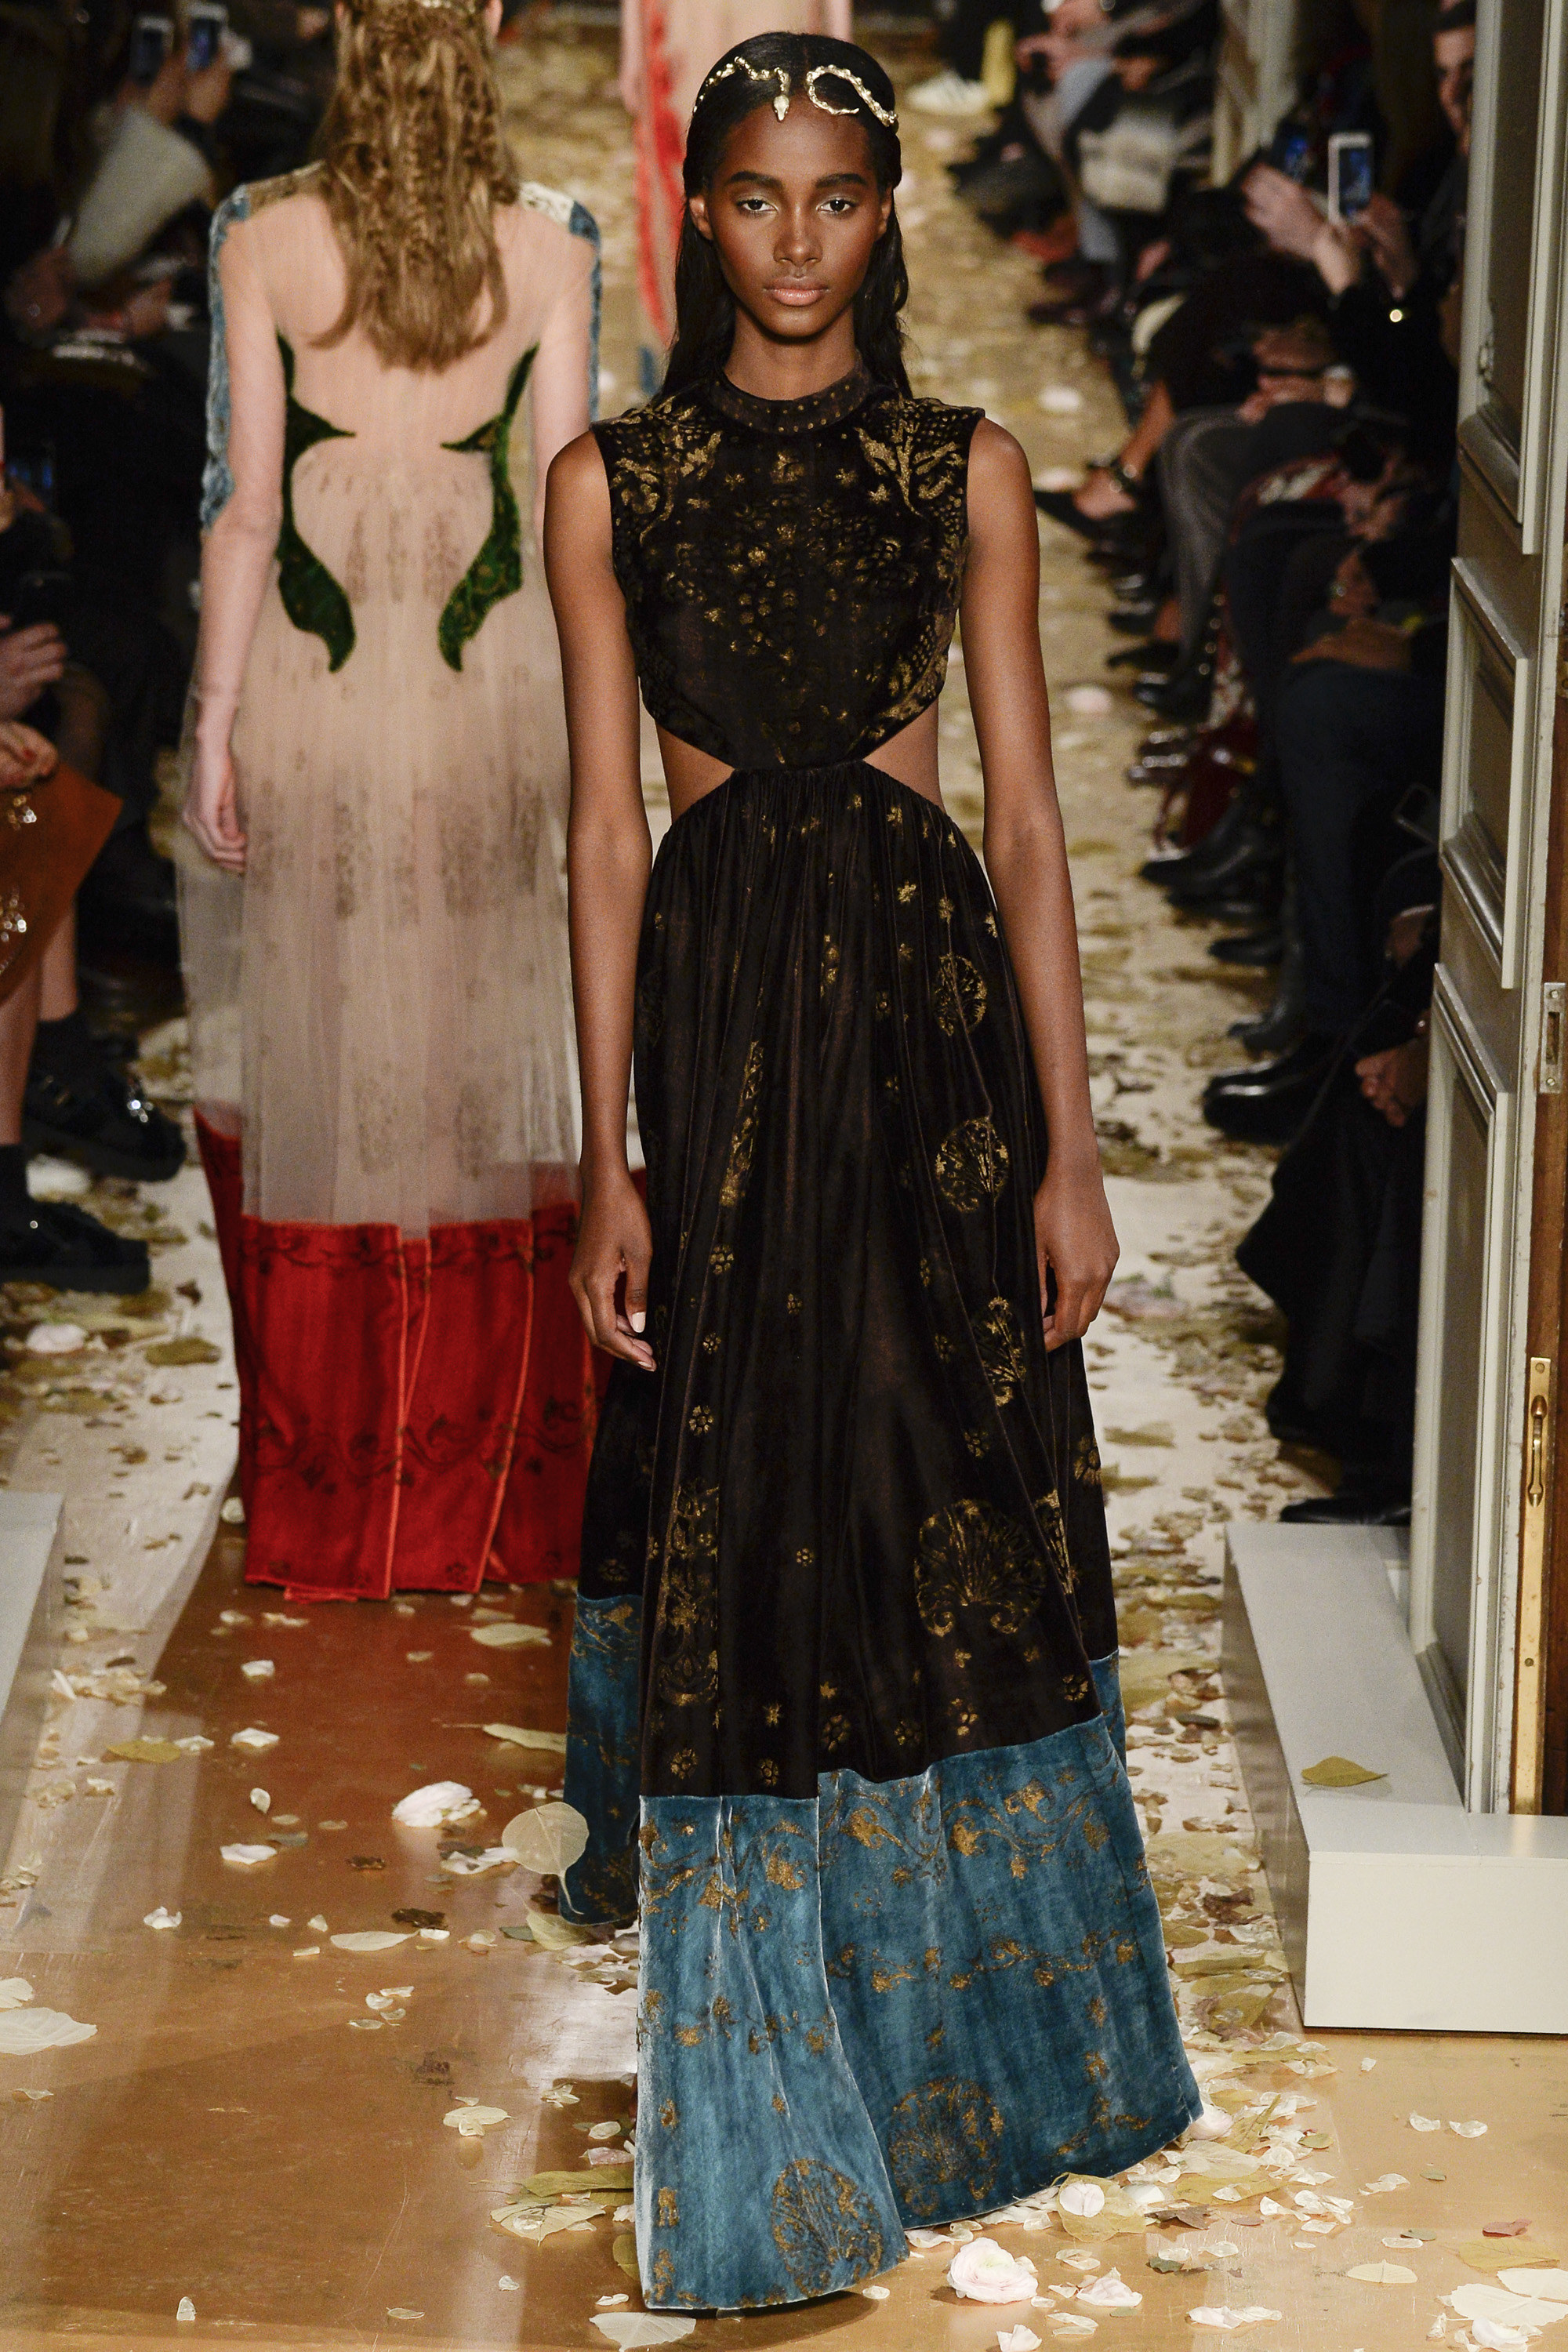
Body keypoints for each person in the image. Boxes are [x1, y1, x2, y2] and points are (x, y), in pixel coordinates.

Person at [546, 34, 1199, 2314]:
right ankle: (765, 2121)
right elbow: (600, 832)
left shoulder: (962, 470)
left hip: (928, 1040)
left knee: (932, 1488)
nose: (796, 240)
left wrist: (1072, 1150)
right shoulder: (610, 481)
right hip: (721, 1032)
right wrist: (609, 1156)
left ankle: (956, 2063)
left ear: (884, 215)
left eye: (835, 197)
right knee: (747, 1516)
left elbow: (1023, 825)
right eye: (757, 196)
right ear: (699, 210)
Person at [181, 0, 602, 1598]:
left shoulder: (259, 231)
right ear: (487, 23)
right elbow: (567, 498)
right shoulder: (553, 242)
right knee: (469, 1047)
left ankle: (340, 1479)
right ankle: (472, 1479)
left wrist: (213, 724)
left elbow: (243, 507)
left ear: (349, 25)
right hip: (496, 687)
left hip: (316, 682)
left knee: (335, 1038)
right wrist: (602, 730)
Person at [619, 0, 851, 384]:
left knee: (777, 154)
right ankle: (686, 361)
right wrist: (632, 41)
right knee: (689, 168)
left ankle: (777, 364)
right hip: (683, 20)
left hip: (772, 14)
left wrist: (841, 46)